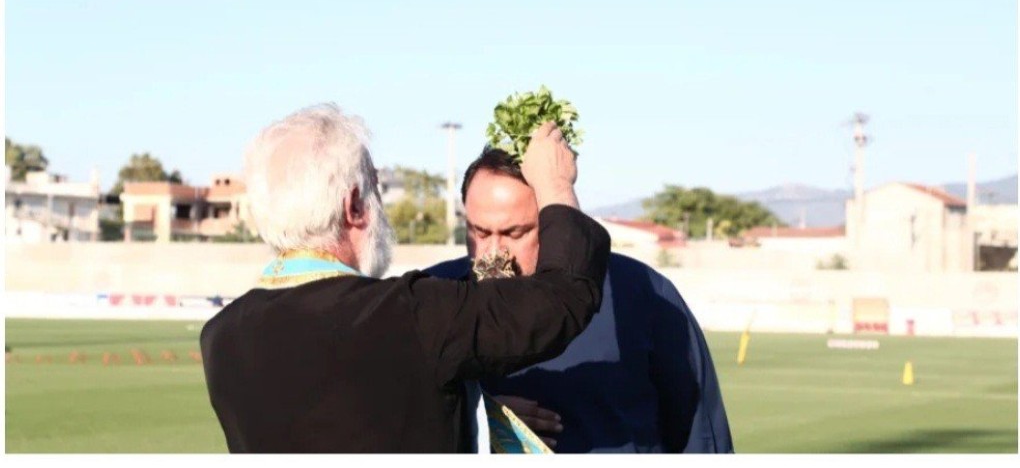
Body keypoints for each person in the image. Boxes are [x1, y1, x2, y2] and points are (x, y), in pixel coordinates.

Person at [199, 105, 611, 453]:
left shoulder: (221, 337)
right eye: (376, 187)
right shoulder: (411, 314)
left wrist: (477, 411)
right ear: (355, 205)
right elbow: (563, 297)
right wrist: (556, 185)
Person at [427, 147, 734, 454]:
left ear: (556, 220)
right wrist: (474, 420)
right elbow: (389, 415)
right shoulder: (431, 296)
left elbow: (700, 434)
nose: (493, 252)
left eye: (515, 232)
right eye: (478, 231)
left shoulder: (643, 293)